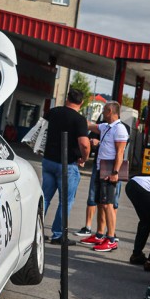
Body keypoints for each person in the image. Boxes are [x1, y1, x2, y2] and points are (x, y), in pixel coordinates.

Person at [39, 88, 91, 244]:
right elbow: (84, 144)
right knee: (65, 201)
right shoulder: (79, 119)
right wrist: (84, 158)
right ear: (81, 103)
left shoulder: (52, 112)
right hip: (67, 164)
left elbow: (42, 131)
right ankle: (58, 234)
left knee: (45, 198)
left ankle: (35, 230)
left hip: (48, 160)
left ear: (66, 98)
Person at [81, 102, 128, 253]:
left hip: (110, 169)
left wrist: (115, 173)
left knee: (108, 205)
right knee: (101, 203)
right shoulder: (106, 126)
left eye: (103, 110)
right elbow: (91, 126)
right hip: (101, 167)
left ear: (110, 111)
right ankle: (100, 234)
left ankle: (111, 239)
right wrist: (74, 118)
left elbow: (120, 153)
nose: (102, 113)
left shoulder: (120, 129)